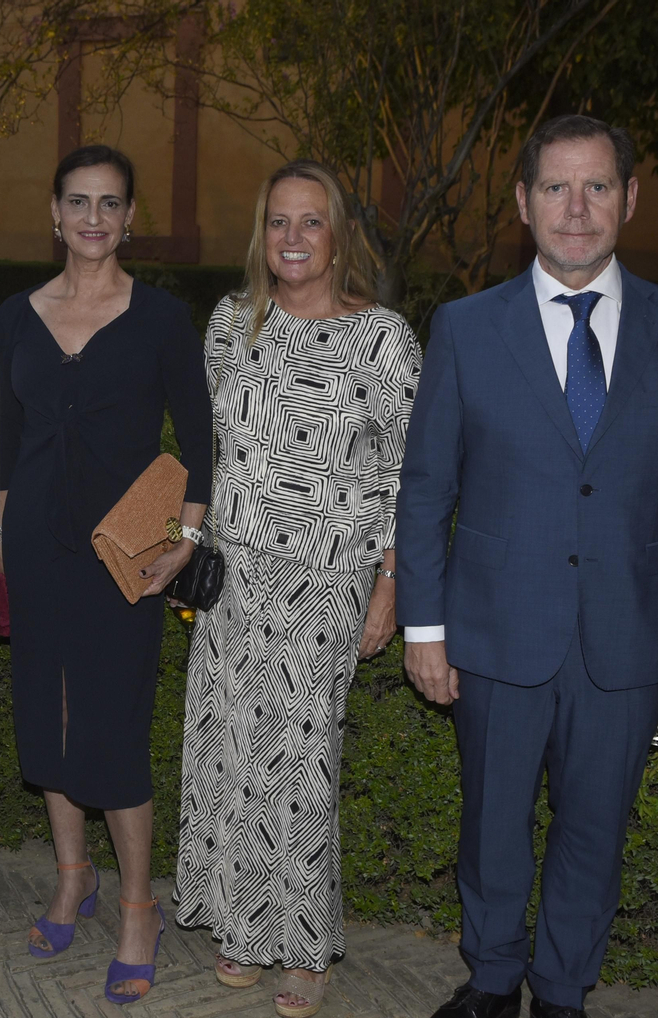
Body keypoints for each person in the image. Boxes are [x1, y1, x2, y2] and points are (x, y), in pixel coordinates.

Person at [396, 114, 658, 1018]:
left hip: (633, 635)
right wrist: (424, 629)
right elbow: (427, 487)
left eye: (596, 187)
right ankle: (494, 978)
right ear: (522, 202)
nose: (576, 209)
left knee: (594, 832)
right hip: (496, 630)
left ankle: (561, 992)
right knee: (493, 828)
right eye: (555, 187)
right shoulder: (467, 329)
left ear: (630, 197)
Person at [175, 161, 422, 1017]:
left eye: (310, 222)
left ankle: (306, 945)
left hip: (326, 579)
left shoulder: (384, 338)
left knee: (302, 756)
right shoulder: (231, 323)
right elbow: (213, 446)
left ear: (339, 234)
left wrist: (391, 586)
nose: (291, 238)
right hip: (233, 576)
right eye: (278, 221)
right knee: (230, 752)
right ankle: (244, 926)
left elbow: (404, 477)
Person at [0, 145, 212, 1005]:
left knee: (112, 732)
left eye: (109, 204)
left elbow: (199, 442)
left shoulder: (159, 317)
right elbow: (4, 442)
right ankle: (72, 876)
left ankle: (135, 906)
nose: (92, 218)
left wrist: (184, 540)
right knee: (45, 721)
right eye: (77, 202)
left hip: (125, 561)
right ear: (55, 215)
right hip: (36, 548)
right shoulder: (13, 316)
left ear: (129, 219)